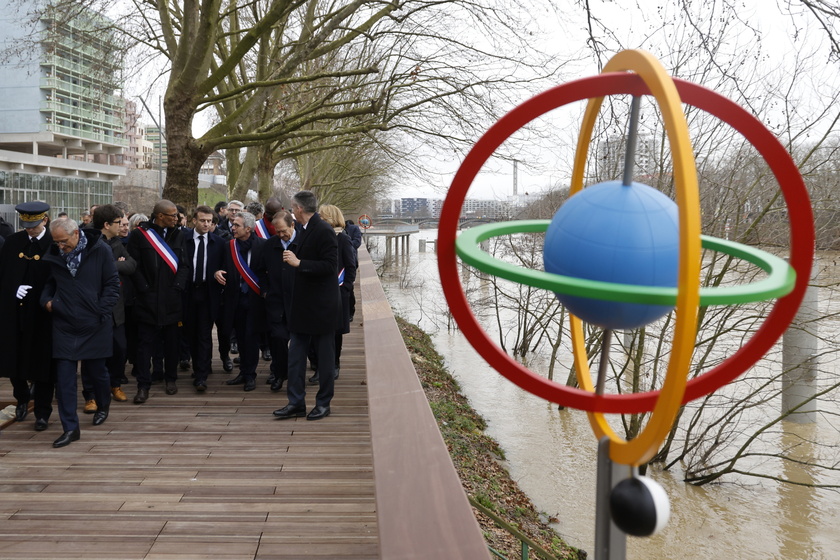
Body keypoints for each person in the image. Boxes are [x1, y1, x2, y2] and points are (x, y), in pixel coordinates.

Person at [41, 217, 119, 447]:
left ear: (76, 233)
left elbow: (112, 284)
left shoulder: (100, 250)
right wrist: (47, 301)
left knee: (98, 373)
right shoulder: (55, 252)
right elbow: (48, 283)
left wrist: (100, 312)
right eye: (57, 242)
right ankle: (70, 428)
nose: (60, 246)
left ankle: (103, 405)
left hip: (94, 323)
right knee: (64, 380)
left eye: (63, 241)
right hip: (64, 323)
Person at [273, 191, 340, 421]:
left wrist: (299, 262)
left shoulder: (324, 230)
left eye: (293, 208)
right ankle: (296, 402)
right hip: (301, 307)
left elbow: (331, 266)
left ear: (299, 208)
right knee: (296, 358)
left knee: (324, 359)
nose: (292, 212)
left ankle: (323, 403)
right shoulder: (302, 229)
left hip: (321, 308)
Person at [0, 202, 56, 431]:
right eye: (26, 225)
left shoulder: (54, 242)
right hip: (16, 313)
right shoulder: (13, 242)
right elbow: (3, 274)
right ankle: (22, 398)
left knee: (43, 364)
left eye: (33, 225)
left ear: (44, 220)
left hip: (43, 315)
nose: (29, 229)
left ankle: (43, 411)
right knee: (14, 360)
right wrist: (14, 288)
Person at [127, 200, 189, 403]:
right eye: (173, 215)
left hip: (172, 298)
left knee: (172, 343)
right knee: (145, 345)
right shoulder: (139, 235)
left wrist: (178, 286)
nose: (177, 218)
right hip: (147, 300)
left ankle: (171, 379)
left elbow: (184, 265)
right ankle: (143, 385)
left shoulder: (178, 234)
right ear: (160, 216)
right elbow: (134, 265)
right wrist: (144, 288)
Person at [87, 204, 136, 406]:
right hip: (94, 308)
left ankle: (115, 385)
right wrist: (115, 264)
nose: (122, 226)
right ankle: (90, 395)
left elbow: (131, 265)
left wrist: (111, 265)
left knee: (119, 349)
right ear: (106, 224)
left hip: (117, 309)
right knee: (92, 353)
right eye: (118, 222)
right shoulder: (89, 242)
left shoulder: (116, 242)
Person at [214, 211, 266, 392]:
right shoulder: (229, 246)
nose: (232, 228)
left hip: (255, 301)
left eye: (236, 225)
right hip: (234, 301)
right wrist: (217, 272)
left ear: (248, 229)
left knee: (251, 338)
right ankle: (243, 372)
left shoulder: (263, 246)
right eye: (232, 224)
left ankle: (250, 375)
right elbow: (219, 266)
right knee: (240, 338)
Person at [183, 205, 224, 391]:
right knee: (190, 332)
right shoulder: (183, 240)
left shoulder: (219, 243)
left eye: (209, 221)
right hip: (188, 292)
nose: (206, 224)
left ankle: (201, 375)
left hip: (208, 293)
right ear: (194, 221)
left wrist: (218, 272)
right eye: (202, 220)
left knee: (204, 334)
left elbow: (226, 267)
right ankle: (199, 365)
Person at [258, 210, 297, 393]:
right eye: (277, 231)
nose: (281, 235)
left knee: (299, 342)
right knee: (278, 339)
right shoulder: (269, 245)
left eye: (283, 231)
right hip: (276, 301)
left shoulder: (304, 242)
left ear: (292, 225)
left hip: (299, 302)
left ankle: (296, 374)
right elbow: (260, 270)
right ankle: (279, 373)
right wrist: (265, 291)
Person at [317, 205, 356, 382]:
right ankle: (320, 367)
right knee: (319, 330)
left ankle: (334, 365)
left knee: (335, 332)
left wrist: (345, 288)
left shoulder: (343, 239)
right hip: (320, 290)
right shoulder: (320, 237)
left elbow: (350, 266)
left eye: (322, 216)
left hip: (339, 291)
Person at [344, 219, 362, 321]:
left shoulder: (354, 229)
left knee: (349, 288)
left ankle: (350, 312)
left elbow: (357, 242)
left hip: (350, 261)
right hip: (337, 262)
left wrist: (345, 244)